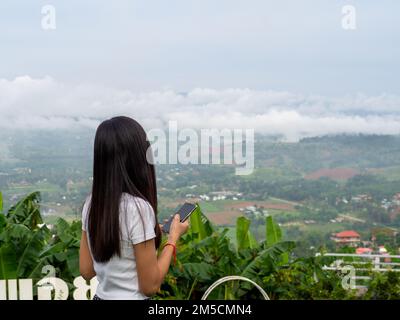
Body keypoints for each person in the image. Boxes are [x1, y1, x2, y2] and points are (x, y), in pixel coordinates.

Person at [79, 116, 189, 300]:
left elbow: (86, 271)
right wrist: (173, 238)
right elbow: (150, 286)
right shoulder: (138, 209)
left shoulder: (91, 204)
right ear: (139, 157)